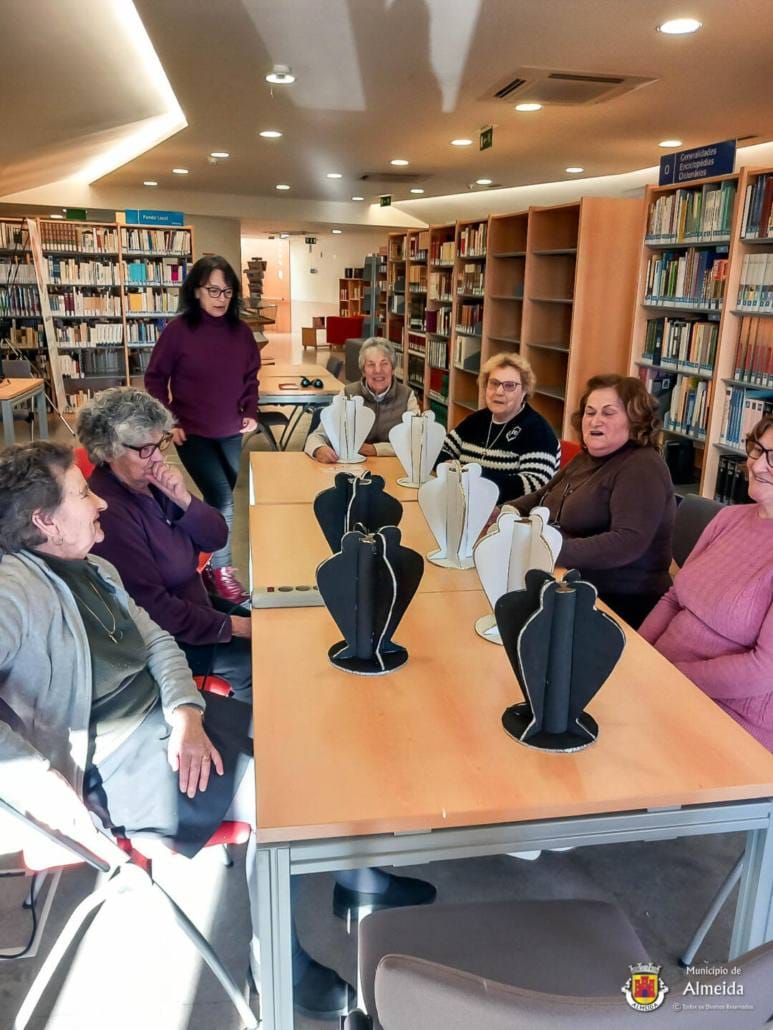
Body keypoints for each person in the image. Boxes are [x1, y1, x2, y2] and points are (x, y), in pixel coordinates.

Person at [0, 441, 357, 1020]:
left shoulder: (95, 568)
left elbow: (159, 642)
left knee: (305, 742)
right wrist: (38, 783)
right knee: (288, 802)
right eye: (82, 494)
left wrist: (185, 712)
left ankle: (360, 876)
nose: (99, 503)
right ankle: (277, 968)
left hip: (167, 722)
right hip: (114, 765)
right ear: (45, 521)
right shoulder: (15, 590)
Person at [77, 387, 252, 703]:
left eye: (160, 443)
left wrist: (184, 500)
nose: (158, 456)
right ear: (108, 451)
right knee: (255, 661)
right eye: (145, 449)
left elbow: (216, 537)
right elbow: (154, 610)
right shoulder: (111, 513)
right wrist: (233, 626)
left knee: (272, 629)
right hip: (164, 636)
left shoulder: (152, 484)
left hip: (194, 604)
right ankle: (252, 728)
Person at [640, 415, 773, 749]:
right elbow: (674, 598)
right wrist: (636, 655)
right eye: (757, 450)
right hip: (658, 680)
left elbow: (762, 670)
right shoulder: (728, 518)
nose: (757, 465)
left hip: (729, 719)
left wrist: (669, 675)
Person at [509, 373, 675, 629]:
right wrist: (503, 513)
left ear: (636, 420)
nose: (595, 420)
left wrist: (550, 549)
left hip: (616, 602)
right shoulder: (586, 458)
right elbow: (541, 496)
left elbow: (626, 543)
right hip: (565, 580)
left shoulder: (642, 467)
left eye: (608, 413)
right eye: (590, 412)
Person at [144, 255, 260, 603]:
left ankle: (206, 563)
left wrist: (250, 411)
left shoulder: (241, 333)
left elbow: (251, 378)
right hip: (191, 433)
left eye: (227, 291)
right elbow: (154, 378)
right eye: (213, 290)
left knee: (218, 500)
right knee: (223, 498)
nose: (221, 298)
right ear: (196, 290)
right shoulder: (178, 331)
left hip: (230, 431)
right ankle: (222, 572)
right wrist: (169, 419)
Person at [436, 352, 560, 502]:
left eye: (509, 386)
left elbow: (536, 485)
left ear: (524, 391)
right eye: (494, 383)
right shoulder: (476, 420)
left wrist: (472, 477)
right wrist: (448, 466)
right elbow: (441, 450)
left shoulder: (538, 431)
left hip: (506, 512)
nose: (499, 392)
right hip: (462, 502)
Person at [304, 337, 419, 462]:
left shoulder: (407, 396)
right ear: (363, 371)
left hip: (393, 468)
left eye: (384, 363)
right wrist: (318, 449)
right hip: (351, 469)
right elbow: (316, 437)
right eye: (371, 364)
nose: (378, 370)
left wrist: (375, 450)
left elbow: (416, 443)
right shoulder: (347, 394)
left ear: (393, 368)